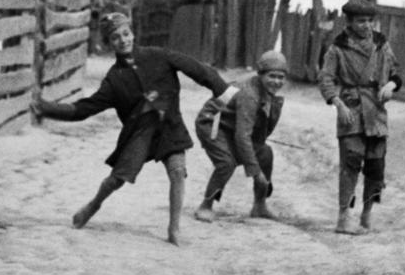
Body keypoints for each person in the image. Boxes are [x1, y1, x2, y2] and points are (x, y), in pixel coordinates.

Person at [31, 12, 229, 247]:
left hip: (170, 127)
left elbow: (197, 69)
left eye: (126, 34)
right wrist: (46, 108)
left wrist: (222, 90)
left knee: (177, 172)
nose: (123, 40)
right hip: (139, 134)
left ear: (133, 34)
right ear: (109, 43)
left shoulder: (159, 56)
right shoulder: (114, 79)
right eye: (115, 37)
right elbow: (84, 109)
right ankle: (93, 204)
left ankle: (174, 229)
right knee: (116, 180)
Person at [317, 0, 402, 235]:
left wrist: (391, 85)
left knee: (376, 166)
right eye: (361, 21)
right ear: (349, 22)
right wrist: (338, 103)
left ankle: (367, 214)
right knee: (350, 163)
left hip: (376, 111)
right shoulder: (338, 47)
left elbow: (395, 71)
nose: (366, 25)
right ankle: (344, 216)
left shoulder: (381, 44)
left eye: (369, 20)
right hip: (352, 109)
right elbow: (325, 78)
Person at [193, 49, 288, 223]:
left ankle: (259, 206)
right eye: (272, 76)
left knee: (265, 153)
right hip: (212, 124)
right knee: (226, 162)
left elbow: (254, 133)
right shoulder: (249, 95)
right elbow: (242, 137)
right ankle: (205, 205)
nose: (276, 81)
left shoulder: (265, 91)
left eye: (280, 77)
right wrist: (256, 172)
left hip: (232, 126)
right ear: (260, 75)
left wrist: (256, 156)